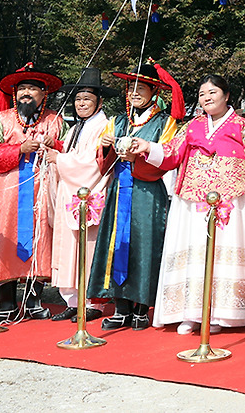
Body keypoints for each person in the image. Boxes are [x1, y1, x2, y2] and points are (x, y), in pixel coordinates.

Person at [151, 75, 245, 333]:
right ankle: (190, 312)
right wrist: (147, 147)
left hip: (231, 199)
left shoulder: (243, 126)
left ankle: (222, 314)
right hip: (193, 200)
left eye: (213, 92)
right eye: (202, 94)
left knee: (226, 250)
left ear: (226, 96)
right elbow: (171, 153)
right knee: (195, 250)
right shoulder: (192, 126)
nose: (207, 98)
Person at [89, 61, 183, 331]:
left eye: (141, 89)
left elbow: (166, 157)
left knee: (145, 244)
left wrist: (138, 156)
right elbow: (103, 161)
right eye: (131, 89)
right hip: (119, 190)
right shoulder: (116, 121)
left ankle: (142, 306)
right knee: (116, 244)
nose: (135, 94)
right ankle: (120, 307)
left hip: (147, 190)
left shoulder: (165, 123)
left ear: (154, 93)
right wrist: (106, 148)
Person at [0, 63, 66, 323]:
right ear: (14, 94)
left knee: (42, 239)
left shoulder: (55, 120)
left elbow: (69, 151)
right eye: (22, 89)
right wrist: (20, 148)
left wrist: (56, 144)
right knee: (5, 240)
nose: (26, 93)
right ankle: (6, 304)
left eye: (33, 88)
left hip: (43, 188)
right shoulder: (2, 120)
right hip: (8, 190)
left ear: (44, 94)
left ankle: (33, 301)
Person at [46, 68, 117, 323]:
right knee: (69, 247)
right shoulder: (77, 127)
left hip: (90, 191)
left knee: (87, 246)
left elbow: (93, 163)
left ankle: (92, 302)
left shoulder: (104, 125)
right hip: (69, 190)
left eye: (87, 99)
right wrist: (54, 154)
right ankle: (72, 300)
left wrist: (60, 159)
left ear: (99, 102)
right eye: (78, 99)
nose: (81, 104)